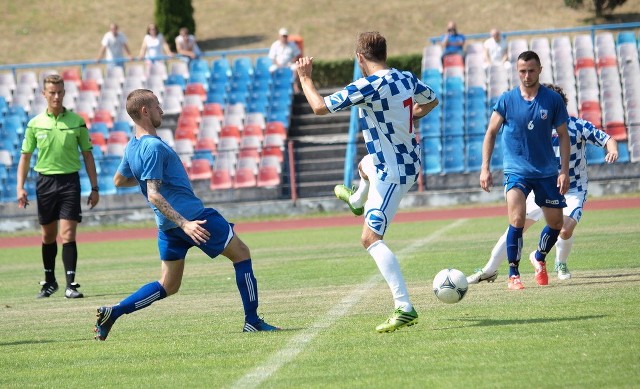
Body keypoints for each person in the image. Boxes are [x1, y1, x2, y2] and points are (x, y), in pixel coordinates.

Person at [94, 89, 280, 341]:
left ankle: (114, 312)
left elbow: (119, 180)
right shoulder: (153, 146)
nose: (161, 110)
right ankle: (253, 321)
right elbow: (153, 195)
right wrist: (186, 223)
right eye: (157, 106)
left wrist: (160, 194)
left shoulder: (132, 147)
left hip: (167, 227)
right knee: (242, 255)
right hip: (194, 219)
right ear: (144, 111)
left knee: (169, 286)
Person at [296, 32, 439, 333]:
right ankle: (357, 200)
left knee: (370, 239)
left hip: (394, 172)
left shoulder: (367, 85)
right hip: (406, 159)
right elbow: (432, 101)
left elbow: (319, 107)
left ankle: (405, 307)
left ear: (360, 57)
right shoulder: (406, 78)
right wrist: (408, 118)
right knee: (364, 163)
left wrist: (305, 79)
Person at [469, 84, 619, 285]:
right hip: (542, 183)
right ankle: (489, 269)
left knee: (564, 229)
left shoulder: (577, 127)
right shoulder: (535, 128)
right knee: (515, 227)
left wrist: (612, 150)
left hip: (573, 188)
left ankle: (559, 262)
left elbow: (608, 139)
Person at [480, 51, 571, 290]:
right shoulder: (507, 100)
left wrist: (564, 171)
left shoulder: (552, 100)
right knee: (517, 219)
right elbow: (490, 133)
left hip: (547, 172)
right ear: (517, 71)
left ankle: (539, 257)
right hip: (516, 171)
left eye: (531, 70)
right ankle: (513, 274)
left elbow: (563, 136)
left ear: (539, 69)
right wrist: (485, 168)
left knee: (556, 224)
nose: (527, 75)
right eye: (522, 71)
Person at [16, 74, 100, 299]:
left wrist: (95, 187)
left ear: (64, 93)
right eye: (51, 92)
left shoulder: (77, 121)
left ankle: (71, 285)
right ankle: (49, 281)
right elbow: (25, 157)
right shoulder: (35, 124)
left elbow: (88, 156)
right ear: (44, 94)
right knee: (48, 236)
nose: (56, 96)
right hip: (44, 182)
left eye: (59, 92)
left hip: (69, 182)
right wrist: (20, 187)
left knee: (68, 234)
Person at [269, 27, 302, 93]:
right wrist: (277, 64)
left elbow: (297, 55)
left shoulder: (292, 45)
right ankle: (274, 86)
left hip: (289, 64)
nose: (284, 38)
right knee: (271, 70)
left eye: (285, 36)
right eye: (283, 36)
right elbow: (272, 57)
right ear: (279, 36)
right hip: (278, 64)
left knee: (296, 68)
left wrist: (292, 61)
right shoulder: (275, 45)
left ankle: (295, 86)